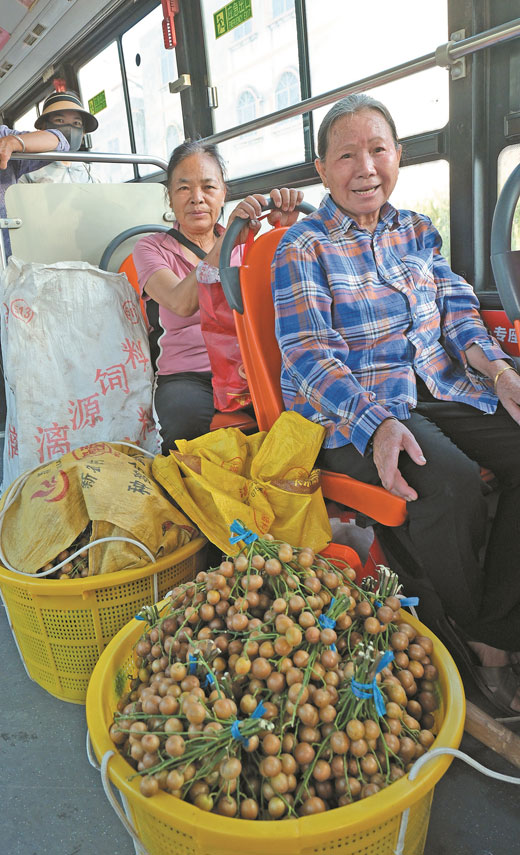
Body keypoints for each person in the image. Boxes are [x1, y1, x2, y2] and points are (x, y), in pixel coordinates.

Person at [271, 93, 520, 716]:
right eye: (346, 154)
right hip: (356, 409)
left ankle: (497, 620)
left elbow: (458, 311)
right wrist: (375, 422)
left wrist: (496, 371)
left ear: (399, 156)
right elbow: (308, 355)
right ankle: (476, 638)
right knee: (455, 486)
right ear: (322, 169)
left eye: (378, 149)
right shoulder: (301, 248)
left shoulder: (415, 230)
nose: (366, 168)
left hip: (437, 384)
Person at [133, 139, 303, 453]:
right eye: (183, 189)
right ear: (169, 197)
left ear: (224, 193)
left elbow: (279, 298)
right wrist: (226, 246)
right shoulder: (150, 248)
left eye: (209, 187)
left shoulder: (248, 241)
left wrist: (284, 230)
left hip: (248, 363)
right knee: (184, 429)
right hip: (188, 372)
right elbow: (180, 302)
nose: (197, 199)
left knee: (302, 415)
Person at [18, 90, 99, 185]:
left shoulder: (89, 171)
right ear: (43, 128)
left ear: (83, 133)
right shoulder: (28, 171)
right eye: (60, 120)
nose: (69, 129)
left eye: (76, 123)